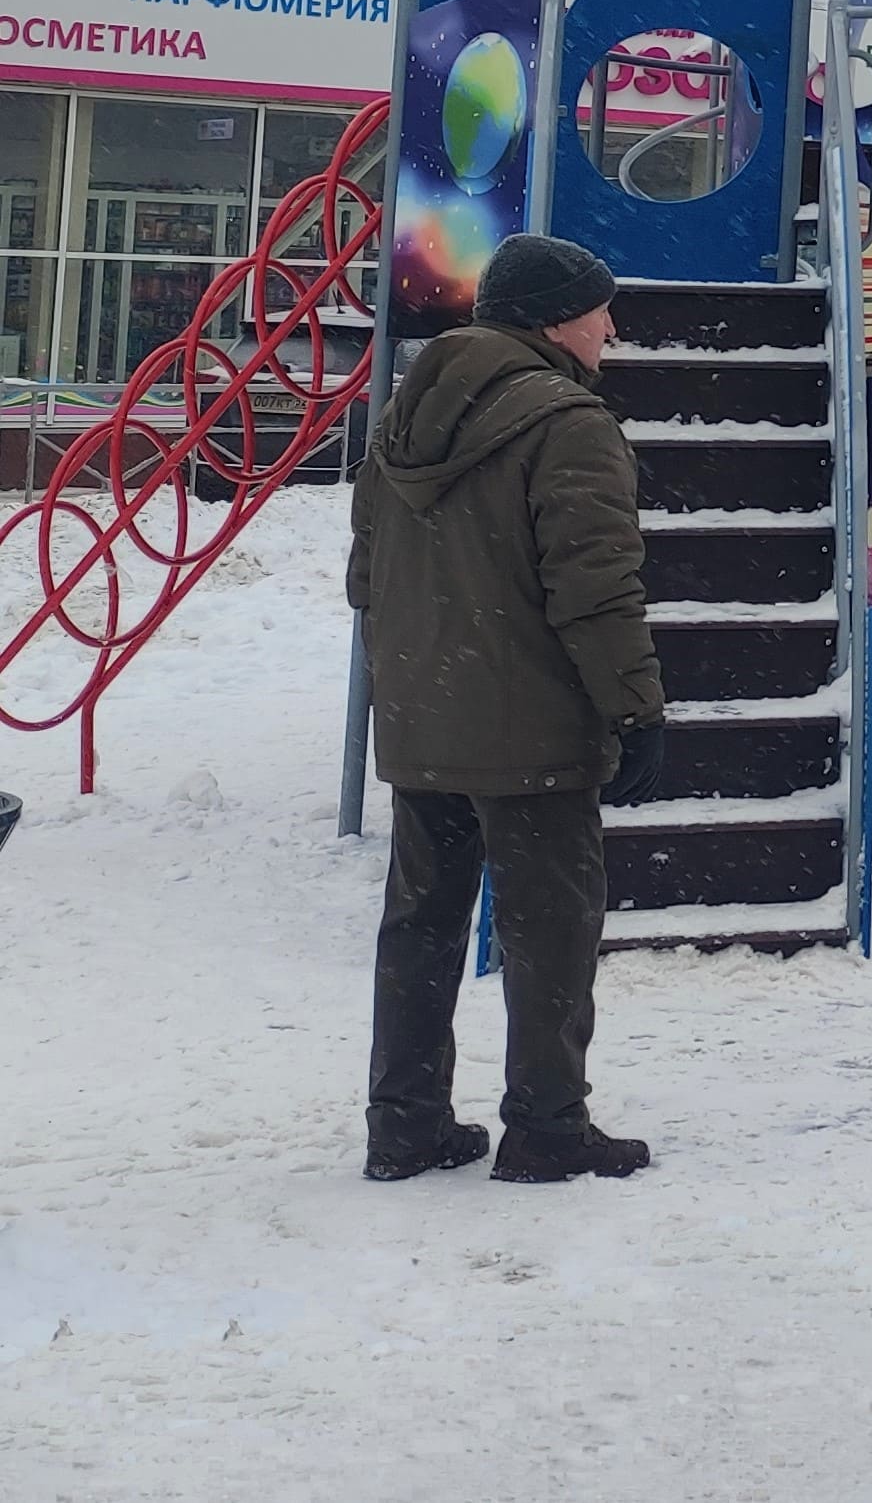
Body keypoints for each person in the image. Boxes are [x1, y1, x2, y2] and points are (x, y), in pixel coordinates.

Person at [351, 232, 661, 1185]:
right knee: (551, 929)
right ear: (553, 319)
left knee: (422, 922)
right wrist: (637, 708)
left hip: (424, 716)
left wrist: (410, 688)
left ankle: (403, 1123)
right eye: (600, 308)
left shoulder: (404, 416)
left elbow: (368, 576)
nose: (612, 326)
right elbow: (595, 586)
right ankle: (546, 1125)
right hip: (531, 729)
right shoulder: (568, 423)